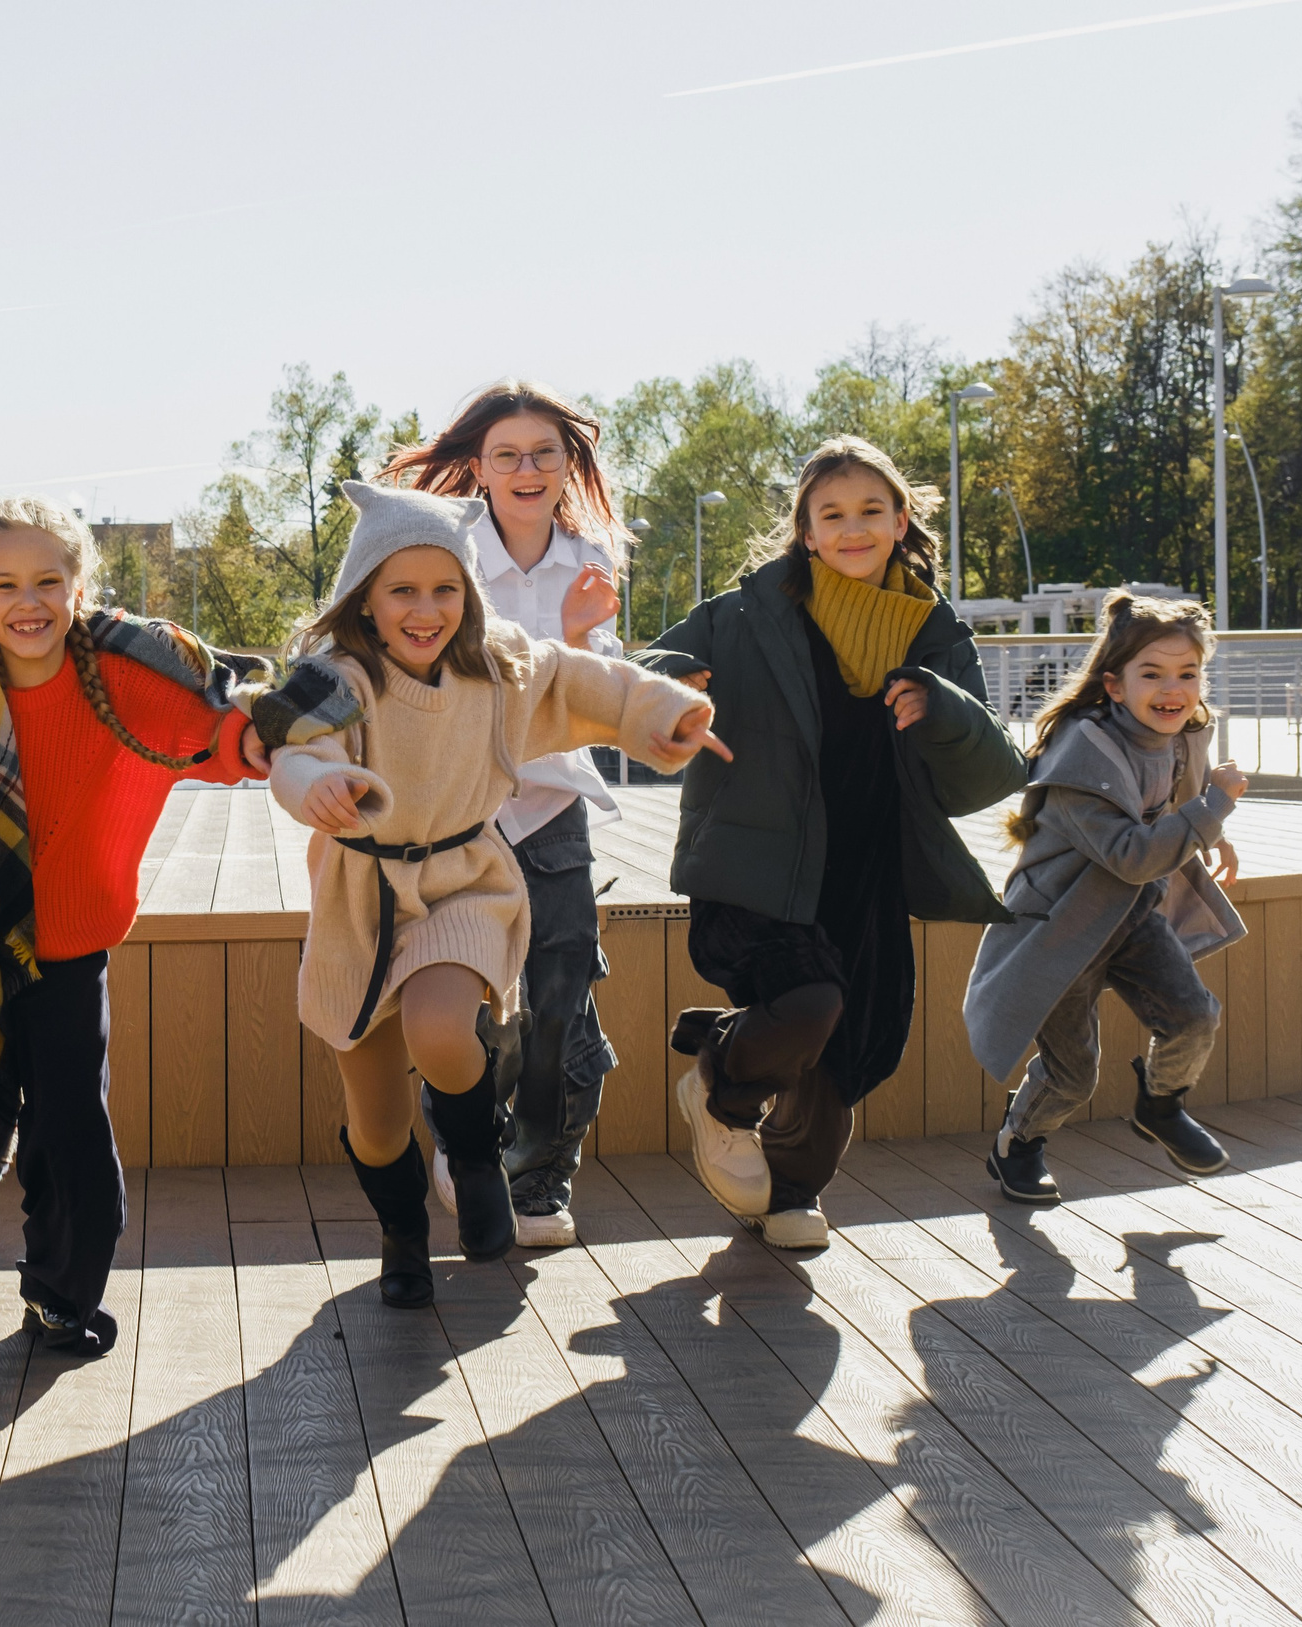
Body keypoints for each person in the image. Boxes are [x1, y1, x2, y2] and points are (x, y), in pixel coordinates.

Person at [0, 496, 344, 1356]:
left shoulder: (122, 675)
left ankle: (58, 1294)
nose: (28, 600)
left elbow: (214, 733)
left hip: (68, 950)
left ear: (80, 587)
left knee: (71, 1137)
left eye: (48, 580)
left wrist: (270, 737)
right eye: (5, 583)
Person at [266, 481, 722, 1306]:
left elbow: (589, 684)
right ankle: (402, 1232)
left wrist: (668, 712)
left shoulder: (499, 666)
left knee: (442, 1027)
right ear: (365, 598)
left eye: (446, 589)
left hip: (465, 880)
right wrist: (316, 786)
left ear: (469, 593)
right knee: (374, 1121)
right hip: (361, 900)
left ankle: (476, 1151)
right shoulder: (336, 679)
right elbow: (295, 750)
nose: (426, 610)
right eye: (403, 591)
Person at [636, 437, 1025, 1250]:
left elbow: (990, 772)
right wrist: (672, 682)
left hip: (868, 868)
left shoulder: (935, 633)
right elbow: (645, 667)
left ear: (900, 521)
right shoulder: (743, 615)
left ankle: (791, 1190)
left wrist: (944, 710)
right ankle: (721, 1082)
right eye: (833, 513)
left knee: (850, 1047)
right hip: (758, 863)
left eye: (871, 510)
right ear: (806, 531)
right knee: (812, 1002)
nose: (853, 528)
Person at [403, 379, 631, 1247]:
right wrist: (562, 650)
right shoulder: (446, 556)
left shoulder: (591, 557)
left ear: (568, 464)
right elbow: (451, 685)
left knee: (562, 997)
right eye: (507, 454)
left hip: (554, 807)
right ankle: (469, 1142)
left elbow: (597, 695)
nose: (526, 468)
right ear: (480, 466)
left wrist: (581, 641)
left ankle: (539, 1177)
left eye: (544, 452)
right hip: (464, 807)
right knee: (476, 1000)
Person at [965, 591, 1245, 1203]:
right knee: (1073, 1075)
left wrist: (1211, 832)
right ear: (1114, 685)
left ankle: (1160, 1105)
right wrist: (1214, 809)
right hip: (1059, 928)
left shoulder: (1178, 735)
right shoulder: (1082, 759)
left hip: (1130, 915)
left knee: (1194, 1017)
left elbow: (1175, 794)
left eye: (1188, 673)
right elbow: (1131, 854)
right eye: (1153, 673)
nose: (1173, 689)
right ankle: (1018, 1143)